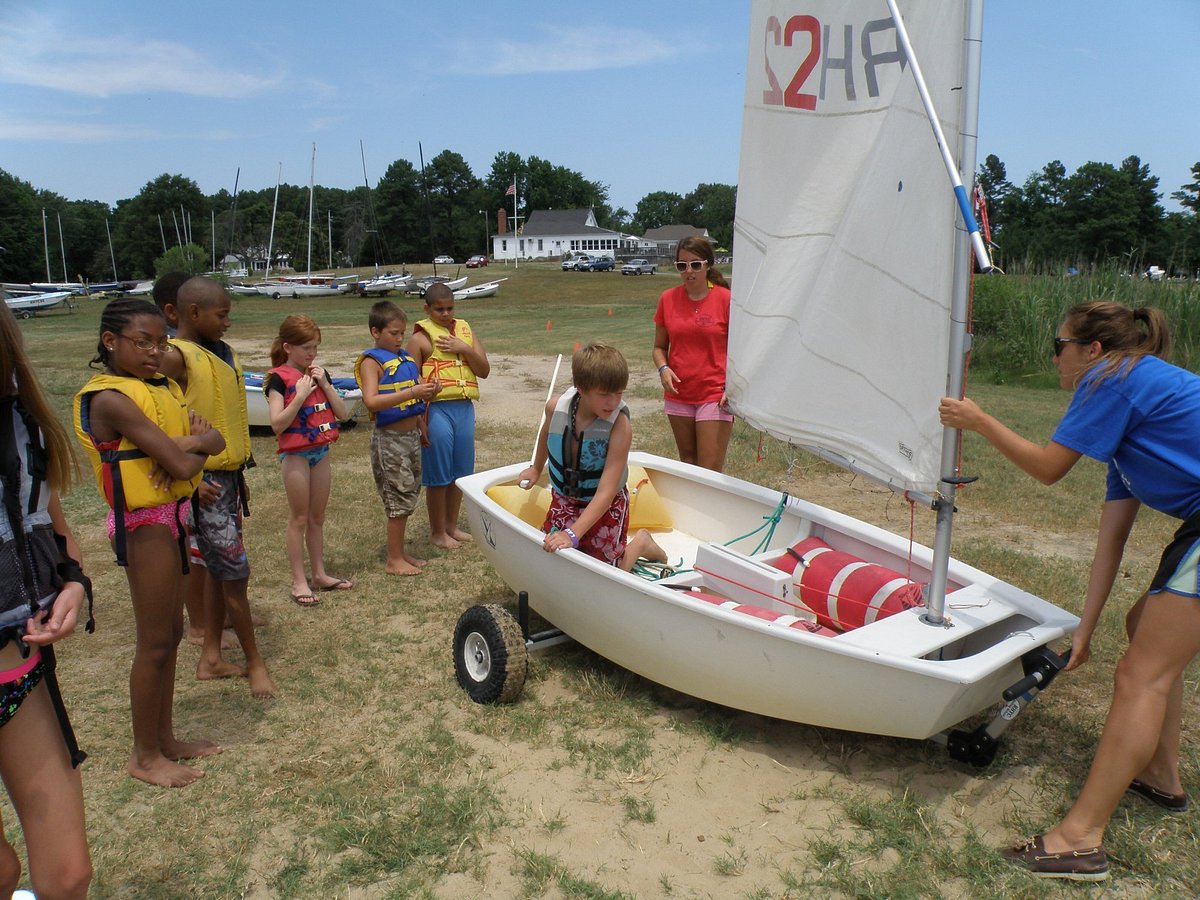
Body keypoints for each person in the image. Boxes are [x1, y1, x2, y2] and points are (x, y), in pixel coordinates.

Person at [939, 300, 1200, 882]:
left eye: (1057, 346)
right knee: (1145, 633)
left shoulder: (1113, 378)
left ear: (1093, 352)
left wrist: (979, 420)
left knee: (1142, 674)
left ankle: (1078, 841)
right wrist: (1086, 626)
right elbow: (1114, 531)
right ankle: (1160, 775)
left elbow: (1048, 467)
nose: (1053, 357)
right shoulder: (1133, 400)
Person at [74, 297, 225, 787]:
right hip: (145, 525)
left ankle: (165, 738)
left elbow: (217, 441)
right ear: (110, 341)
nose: (155, 352)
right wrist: (191, 445)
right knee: (154, 642)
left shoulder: (162, 387)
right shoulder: (111, 399)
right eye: (143, 343)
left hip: (175, 516)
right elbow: (186, 464)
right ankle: (143, 756)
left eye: (161, 342)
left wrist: (188, 444)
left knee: (175, 636)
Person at [0, 301, 93, 897]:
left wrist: (75, 582)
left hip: (17, 667)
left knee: (68, 873)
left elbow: (49, 523)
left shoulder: (21, 421)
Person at [158, 277, 276, 697]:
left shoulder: (219, 353)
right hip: (202, 483)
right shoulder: (175, 358)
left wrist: (235, 475)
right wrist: (187, 478)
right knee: (234, 576)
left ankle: (211, 656)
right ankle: (255, 663)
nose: (227, 322)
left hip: (225, 478)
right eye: (221, 314)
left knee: (213, 569)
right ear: (192, 314)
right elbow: (150, 421)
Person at [517, 342, 667, 571]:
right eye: (604, 394)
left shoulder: (620, 426)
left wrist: (573, 534)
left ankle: (641, 544)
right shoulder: (555, 408)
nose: (613, 402)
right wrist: (536, 468)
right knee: (551, 550)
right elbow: (547, 434)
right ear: (581, 388)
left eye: (619, 393)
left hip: (604, 503)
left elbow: (606, 491)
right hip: (566, 498)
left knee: (609, 571)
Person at [265, 314, 351, 607]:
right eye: (306, 348)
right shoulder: (278, 379)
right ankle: (298, 580)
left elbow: (342, 413)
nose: (312, 354)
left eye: (315, 347)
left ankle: (319, 574)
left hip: (320, 453)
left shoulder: (318, 373)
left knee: (317, 517)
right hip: (295, 456)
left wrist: (324, 385)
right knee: (299, 517)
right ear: (288, 347)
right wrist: (300, 395)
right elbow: (277, 424)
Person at [355, 301, 442, 575]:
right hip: (389, 440)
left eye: (401, 333)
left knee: (410, 493)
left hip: (411, 437)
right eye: (393, 333)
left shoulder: (404, 358)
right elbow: (371, 401)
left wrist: (429, 394)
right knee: (398, 496)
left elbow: (415, 391)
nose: (399, 338)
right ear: (375, 332)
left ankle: (401, 553)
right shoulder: (372, 362)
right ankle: (394, 560)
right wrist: (413, 394)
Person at [152, 270, 214, 647]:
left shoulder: (208, 353)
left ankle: (214, 613)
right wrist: (194, 476)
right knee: (194, 553)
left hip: (214, 463)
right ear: (177, 312)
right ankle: (199, 623)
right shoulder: (171, 359)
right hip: (190, 473)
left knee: (217, 549)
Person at [406, 282, 490, 549]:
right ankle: (437, 531)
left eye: (450, 308)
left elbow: (484, 370)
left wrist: (463, 348)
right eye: (439, 309)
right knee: (439, 474)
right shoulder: (420, 339)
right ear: (426, 309)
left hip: (463, 408)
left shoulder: (465, 331)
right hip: (437, 410)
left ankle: (452, 526)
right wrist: (420, 416)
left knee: (461, 473)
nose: (445, 314)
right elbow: (410, 381)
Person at [652, 235, 734, 473]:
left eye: (696, 264)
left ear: (708, 264)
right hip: (679, 394)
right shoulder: (667, 299)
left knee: (709, 471)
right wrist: (663, 368)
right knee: (688, 467)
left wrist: (733, 385)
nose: (689, 271)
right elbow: (659, 347)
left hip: (714, 394)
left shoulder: (726, 299)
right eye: (682, 265)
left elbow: (740, 350)